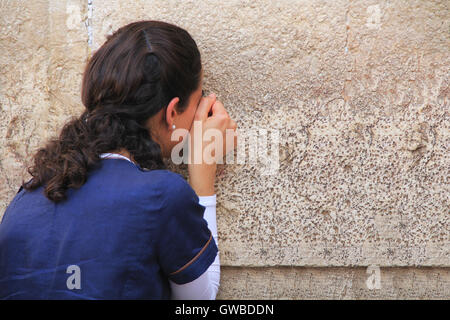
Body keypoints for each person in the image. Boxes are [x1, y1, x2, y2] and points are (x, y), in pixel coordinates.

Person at [0, 20, 237, 299]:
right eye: (197, 104)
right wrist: (202, 170)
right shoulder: (162, 194)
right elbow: (198, 300)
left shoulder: (26, 197)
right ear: (172, 112)